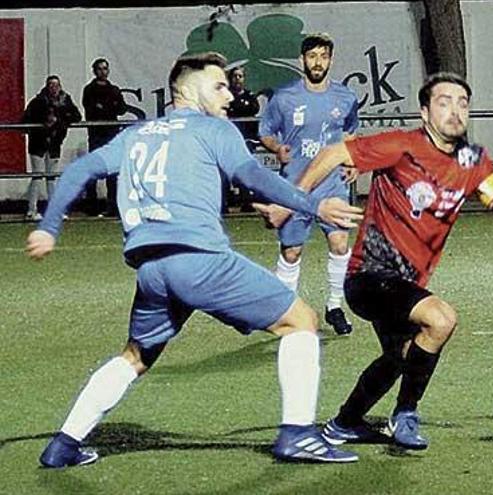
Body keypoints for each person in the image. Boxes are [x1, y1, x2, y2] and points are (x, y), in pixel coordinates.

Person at [27, 52, 364, 468]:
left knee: (135, 356)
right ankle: (297, 434)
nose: (228, 95)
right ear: (186, 89)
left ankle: (63, 445)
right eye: (219, 86)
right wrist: (314, 205)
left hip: (153, 271)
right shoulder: (213, 129)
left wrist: (49, 227)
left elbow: (79, 172)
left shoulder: (137, 135)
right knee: (302, 321)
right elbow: (254, 177)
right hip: (200, 260)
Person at [260, 72, 493, 451]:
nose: (455, 110)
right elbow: (334, 153)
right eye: (444, 101)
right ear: (425, 111)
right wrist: (292, 201)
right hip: (369, 276)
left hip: (405, 282)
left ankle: (345, 422)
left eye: (463, 102)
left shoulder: (473, 160)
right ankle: (405, 413)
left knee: (402, 355)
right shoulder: (401, 145)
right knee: (440, 319)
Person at [259, 33, 360, 336]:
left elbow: (350, 132)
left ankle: (334, 306)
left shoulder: (345, 98)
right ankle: (284, 311)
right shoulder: (284, 97)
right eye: (312, 56)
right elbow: (265, 131)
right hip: (295, 186)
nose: (318, 62)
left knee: (340, 243)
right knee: (292, 252)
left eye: (324, 56)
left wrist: (351, 160)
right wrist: (276, 148)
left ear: (331, 59)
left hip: (331, 184)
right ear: (302, 60)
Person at [23, 75, 82, 220]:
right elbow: (26, 119)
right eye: (51, 85)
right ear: (46, 86)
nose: (54, 88)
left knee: (51, 177)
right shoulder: (38, 101)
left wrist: (59, 121)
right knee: (37, 175)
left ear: (60, 87)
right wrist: (44, 122)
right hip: (38, 142)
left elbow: (77, 116)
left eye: (56, 85)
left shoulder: (65, 101)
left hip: (55, 142)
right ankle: (31, 210)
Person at [82, 58, 128, 217]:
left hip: (111, 133)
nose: (103, 71)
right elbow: (92, 109)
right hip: (96, 134)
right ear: (94, 71)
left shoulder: (114, 89)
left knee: (112, 172)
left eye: (105, 69)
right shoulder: (89, 89)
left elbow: (121, 109)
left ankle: (113, 206)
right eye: (100, 69)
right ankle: (92, 206)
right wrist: (109, 107)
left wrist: (107, 107)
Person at [225, 66, 261, 212]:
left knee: (245, 170)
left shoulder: (250, 97)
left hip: (246, 140)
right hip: (229, 139)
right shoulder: (226, 97)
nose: (238, 79)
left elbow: (252, 110)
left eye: (240, 76)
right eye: (235, 76)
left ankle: (247, 200)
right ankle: (225, 202)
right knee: (226, 171)